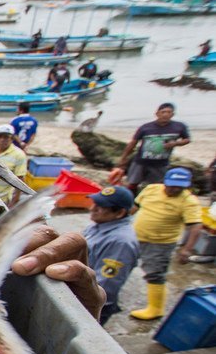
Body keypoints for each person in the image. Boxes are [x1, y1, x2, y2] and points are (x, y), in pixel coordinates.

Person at [129, 168, 203, 320]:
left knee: (155, 274)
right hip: (135, 236)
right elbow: (135, 207)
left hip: (160, 243)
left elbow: (195, 227)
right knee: (119, 263)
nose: (175, 189)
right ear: (164, 182)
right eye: (172, 185)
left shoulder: (189, 202)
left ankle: (155, 308)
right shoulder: (151, 189)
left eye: (180, 186)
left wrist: (186, 250)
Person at [83, 186, 139, 325]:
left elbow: (105, 286)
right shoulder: (97, 226)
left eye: (100, 207)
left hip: (90, 304)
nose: (92, 209)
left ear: (119, 213)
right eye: (94, 204)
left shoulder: (121, 242)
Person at [116, 103, 191, 193]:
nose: (165, 115)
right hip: (141, 161)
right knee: (132, 183)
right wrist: (123, 158)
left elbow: (187, 139)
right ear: (157, 114)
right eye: (163, 112)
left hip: (161, 163)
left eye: (168, 112)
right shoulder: (146, 127)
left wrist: (175, 143)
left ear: (172, 114)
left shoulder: (179, 127)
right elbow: (133, 143)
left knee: (156, 186)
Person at [0, 124, 26, 206]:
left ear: (11, 139)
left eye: (6, 137)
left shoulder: (19, 155)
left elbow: (20, 181)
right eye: (0, 136)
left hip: (3, 199)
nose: (2, 140)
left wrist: (13, 203)